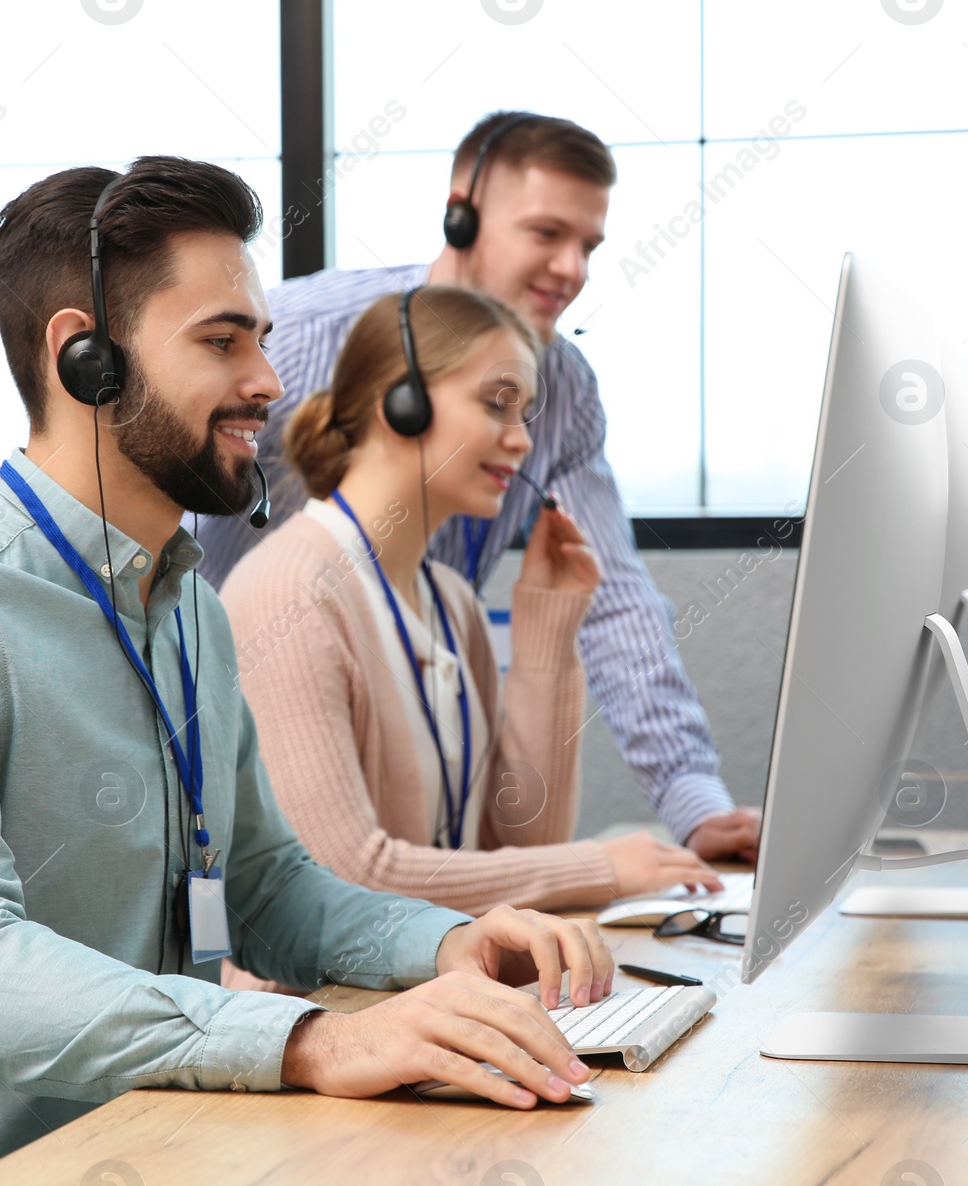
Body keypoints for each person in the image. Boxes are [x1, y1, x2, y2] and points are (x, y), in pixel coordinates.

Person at [0, 157, 617, 1186]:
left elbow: (268, 884)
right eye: (222, 341)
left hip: (166, 1147)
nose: (269, 383)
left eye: (264, 340)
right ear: (84, 357)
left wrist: (449, 944)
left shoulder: (186, 605)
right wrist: (315, 1040)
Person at [197, 111, 761, 863]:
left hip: (416, 714)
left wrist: (693, 798)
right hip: (249, 711)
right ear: (462, 208)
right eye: (546, 233)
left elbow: (616, 598)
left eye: (589, 246)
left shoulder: (557, 391)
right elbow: (153, 495)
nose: (574, 268)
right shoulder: (293, 336)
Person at [217, 287, 719, 994]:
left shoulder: (450, 601)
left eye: (526, 413)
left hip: (433, 1005)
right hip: (320, 1024)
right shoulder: (289, 590)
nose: (522, 439)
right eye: (497, 402)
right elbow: (346, 878)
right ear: (403, 403)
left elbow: (519, 854)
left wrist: (547, 621)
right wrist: (599, 867)